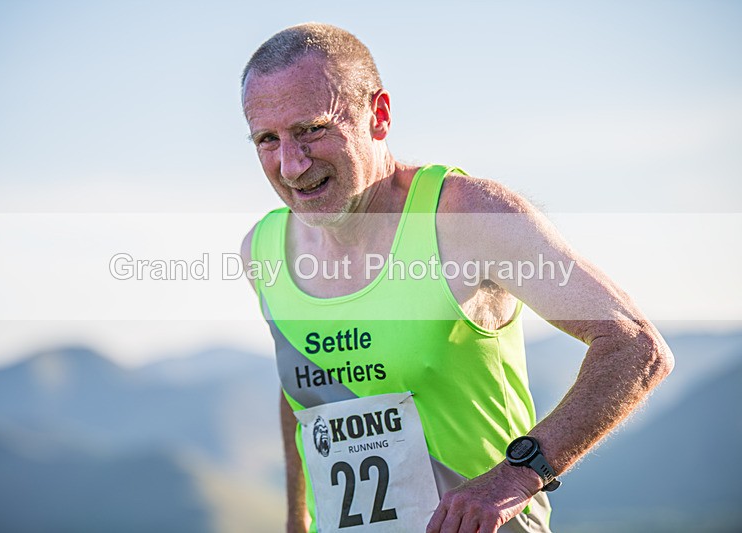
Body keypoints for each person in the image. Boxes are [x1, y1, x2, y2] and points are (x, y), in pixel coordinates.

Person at [239, 23, 674, 533]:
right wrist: (297, 521)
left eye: (312, 129)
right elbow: (303, 392)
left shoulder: (465, 215)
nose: (290, 166)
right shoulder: (262, 248)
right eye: (268, 139)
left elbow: (636, 348)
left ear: (378, 116)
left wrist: (512, 479)